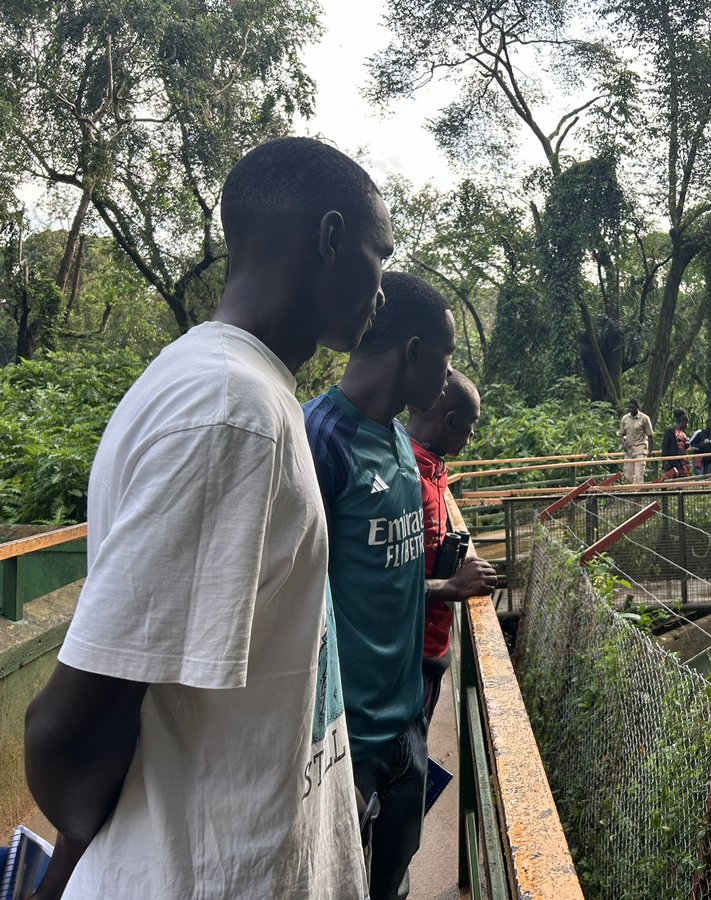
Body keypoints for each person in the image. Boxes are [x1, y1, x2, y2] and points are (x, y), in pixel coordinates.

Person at [23, 137, 387, 900]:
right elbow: (71, 735)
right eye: (376, 254)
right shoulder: (230, 413)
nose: (381, 287)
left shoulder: (241, 392)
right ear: (328, 238)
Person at [303, 271, 455, 900]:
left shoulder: (399, 441)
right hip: (345, 752)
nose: (447, 377)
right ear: (413, 351)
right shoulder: (318, 439)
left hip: (405, 734)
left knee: (391, 886)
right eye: (445, 358)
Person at [406, 371, 498, 722]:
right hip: (412, 655)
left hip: (430, 644)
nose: (472, 435)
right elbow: (381, 579)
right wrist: (454, 586)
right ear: (450, 421)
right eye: (471, 425)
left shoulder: (433, 468)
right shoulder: (407, 472)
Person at [619, 399, 654, 483]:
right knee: (628, 475)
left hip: (640, 449)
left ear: (637, 407)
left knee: (639, 474)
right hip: (629, 450)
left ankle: (638, 494)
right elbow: (621, 434)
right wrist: (623, 444)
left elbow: (650, 435)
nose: (631, 410)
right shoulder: (625, 419)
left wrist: (649, 450)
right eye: (630, 408)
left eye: (633, 408)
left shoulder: (644, 418)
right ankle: (632, 491)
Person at [661, 408, 690, 478]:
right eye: (686, 423)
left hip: (682, 460)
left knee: (682, 477)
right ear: (682, 422)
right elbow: (665, 446)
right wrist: (665, 460)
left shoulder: (683, 432)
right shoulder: (670, 431)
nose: (687, 425)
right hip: (673, 460)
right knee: (672, 476)